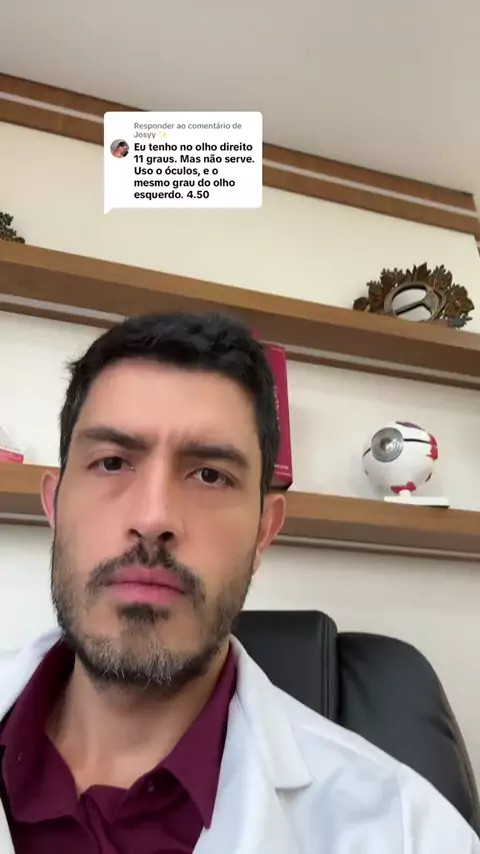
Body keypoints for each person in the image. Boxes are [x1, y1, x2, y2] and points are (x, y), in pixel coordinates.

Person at [0, 311, 477, 854]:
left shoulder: (408, 834)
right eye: (112, 462)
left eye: (210, 475)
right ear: (54, 507)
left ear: (263, 532)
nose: (153, 518)